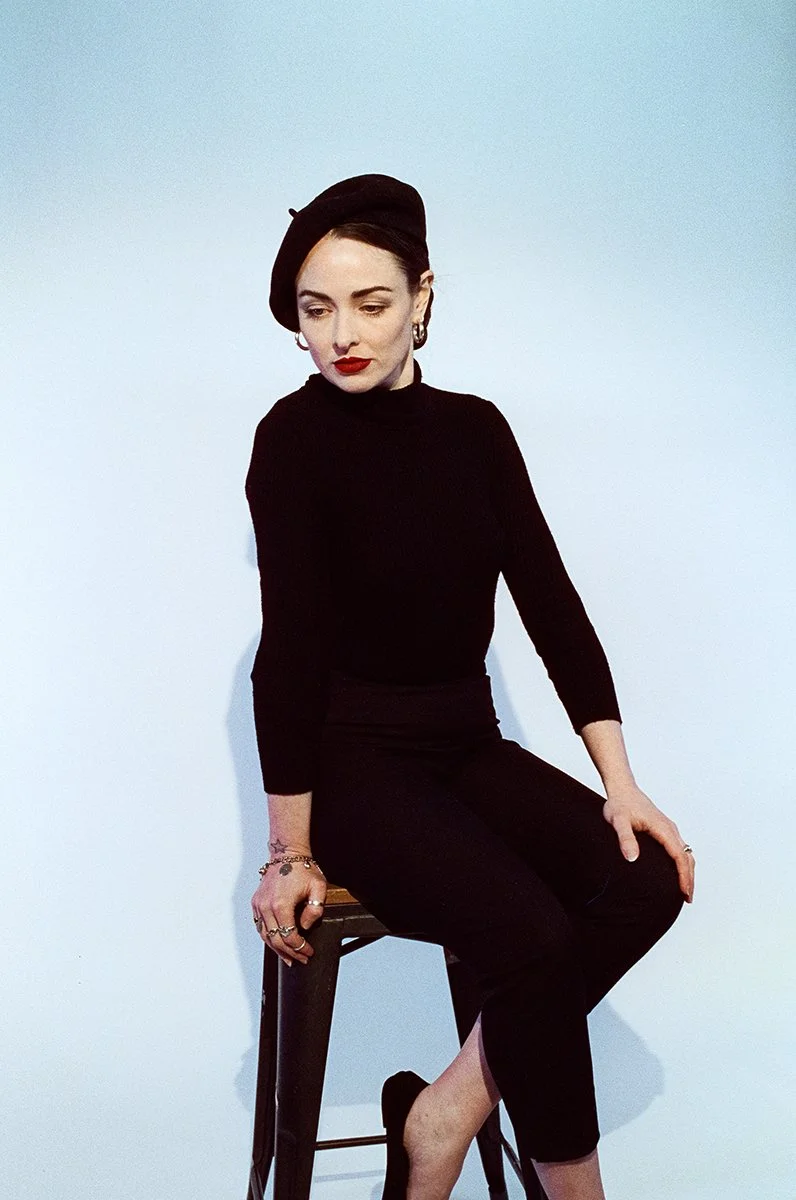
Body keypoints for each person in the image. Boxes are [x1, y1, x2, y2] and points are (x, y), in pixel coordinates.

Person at [246, 173, 695, 1200]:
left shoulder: (475, 431)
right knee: (532, 939)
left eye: (370, 303)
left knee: (642, 879)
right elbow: (291, 653)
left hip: (463, 745)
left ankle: (443, 1113)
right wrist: (290, 850)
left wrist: (619, 782)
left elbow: (552, 606)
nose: (343, 334)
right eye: (317, 312)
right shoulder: (293, 441)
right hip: (353, 765)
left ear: (423, 296)